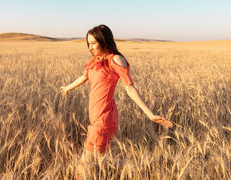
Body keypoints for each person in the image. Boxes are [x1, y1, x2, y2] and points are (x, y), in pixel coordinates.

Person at [60, 25, 173, 169]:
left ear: (104, 40)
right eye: (88, 43)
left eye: (94, 43)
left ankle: (141, 169)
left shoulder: (115, 60)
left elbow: (130, 88)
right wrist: (68, 87)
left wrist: (150, 115)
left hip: (104, 119)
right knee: (104, 161)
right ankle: (141, 168)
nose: (90, 47)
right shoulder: (95, 61)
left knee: (82, 167)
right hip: (95, 118)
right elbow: (83, 77)